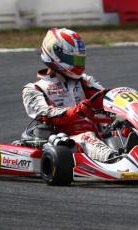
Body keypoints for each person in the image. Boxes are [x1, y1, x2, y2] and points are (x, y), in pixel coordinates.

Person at [22, 27, 119, 163]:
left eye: (79, 60)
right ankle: (115, 161)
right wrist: (76, 112)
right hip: (63, 141)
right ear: (56, 55)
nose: (77, 65)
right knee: (87, 137)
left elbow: (108, 98)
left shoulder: (84, 81)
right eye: (72, 59)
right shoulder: (34, 88)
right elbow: (45, 113)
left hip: (95, 133)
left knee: (126, 129)